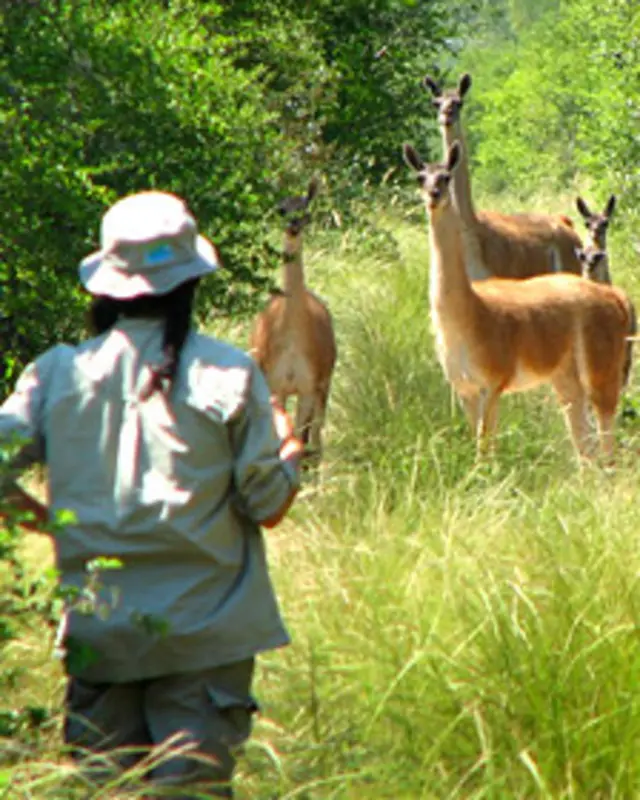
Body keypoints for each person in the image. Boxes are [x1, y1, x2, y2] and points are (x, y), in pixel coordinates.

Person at [0, 190, 303, 797]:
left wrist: (45, 521)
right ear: (190, 283)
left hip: (100, 636)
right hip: (205, 641)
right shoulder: (228, 373)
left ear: (105, 285)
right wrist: (288, 447)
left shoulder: (57, 373)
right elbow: (267, 507)